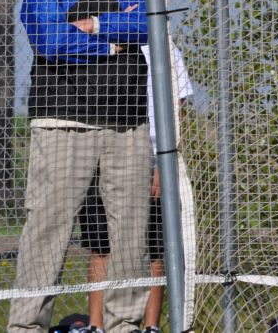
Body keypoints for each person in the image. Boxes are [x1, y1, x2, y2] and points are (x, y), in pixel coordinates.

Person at [9, 0, 151, 333]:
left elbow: (146, 23)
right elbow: (48, 41)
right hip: (62, 123)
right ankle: (27, 326)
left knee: (131, 233)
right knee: (48, 229)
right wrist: (114, 41)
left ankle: (125, 325)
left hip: (126, 124)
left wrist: (94, 25)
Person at [75, 43, 194, 333]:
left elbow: (177, 110)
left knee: (154, 246)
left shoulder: (167, 49)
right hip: (103, 152)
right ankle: (96, 324)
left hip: (152, 158)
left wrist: (161, 164)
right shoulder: (101, 43)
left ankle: (150, 325)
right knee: (101, 242)